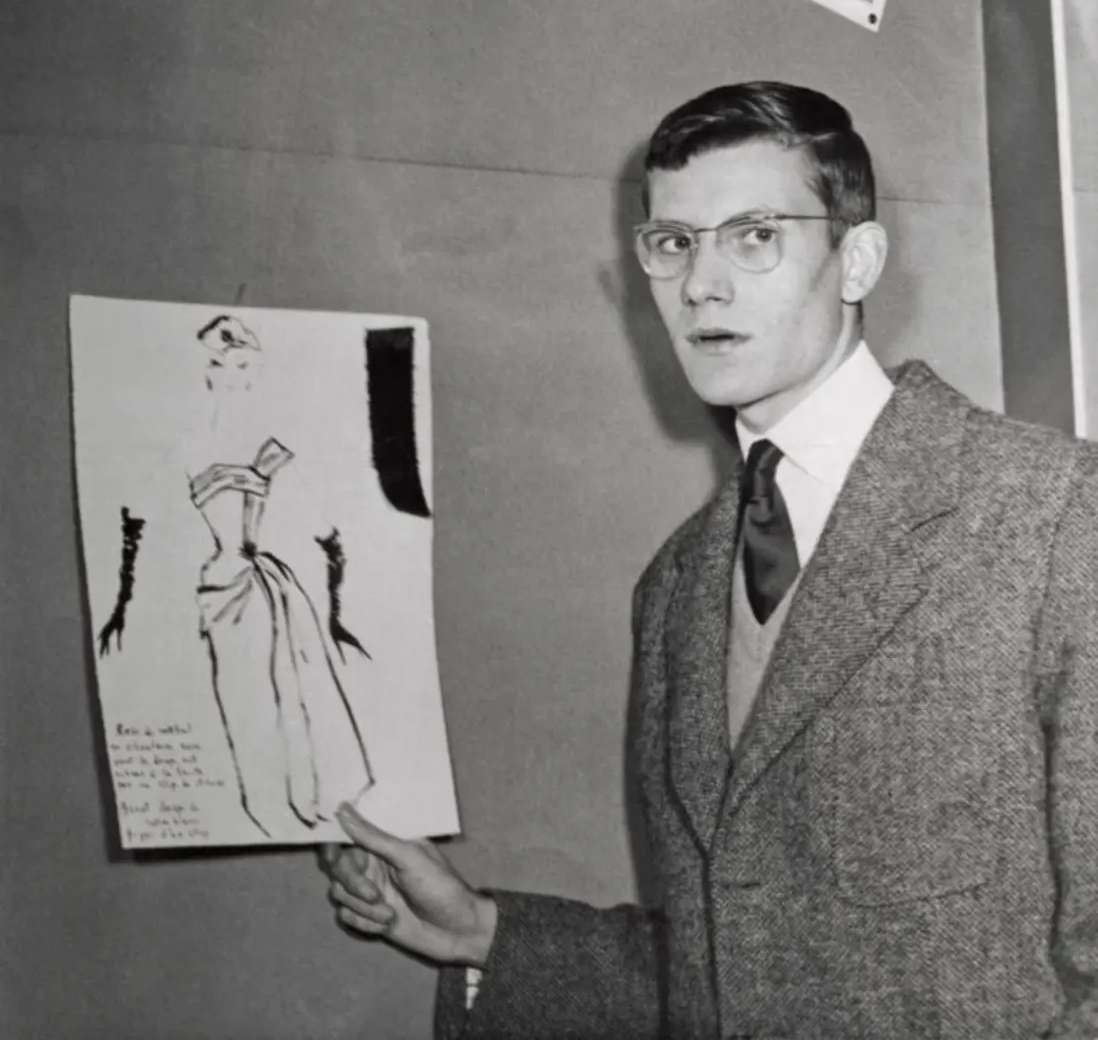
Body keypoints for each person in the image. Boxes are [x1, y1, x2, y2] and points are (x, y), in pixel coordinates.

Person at [322, 82, 1098, 1038]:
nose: (702, 285)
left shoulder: (1056, 512)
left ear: (857, 258)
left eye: (755, 235)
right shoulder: (678, 584)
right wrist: (482, 932)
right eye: (674, 243)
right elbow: (733, 956)